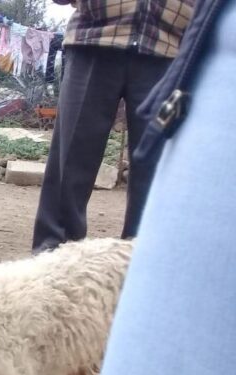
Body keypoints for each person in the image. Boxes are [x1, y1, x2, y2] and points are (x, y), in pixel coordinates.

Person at [63, 0, 236, 375]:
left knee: (155, 193)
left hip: (170, 41)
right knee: (69, 171)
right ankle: (47, 292)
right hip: (99, 31)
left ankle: (129, 303)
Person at [31, 0, 195, 253]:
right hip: (93, 39)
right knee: (72, 157)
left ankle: (143, 259)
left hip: (169, 51)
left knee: (157, 165)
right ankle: (52, 253)